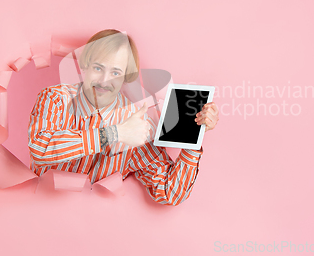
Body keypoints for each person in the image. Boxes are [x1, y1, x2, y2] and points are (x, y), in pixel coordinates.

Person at [28, 29, 219, 205]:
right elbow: (40, 148)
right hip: (38, 216)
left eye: (115, 72)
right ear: (84, 67)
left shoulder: (137, 123)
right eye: (98, 68)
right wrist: (114, 133)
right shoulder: (56, 99)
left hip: (89, 229)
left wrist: (193, 134)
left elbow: (169, 191)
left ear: (126, 77)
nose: (104, 80)